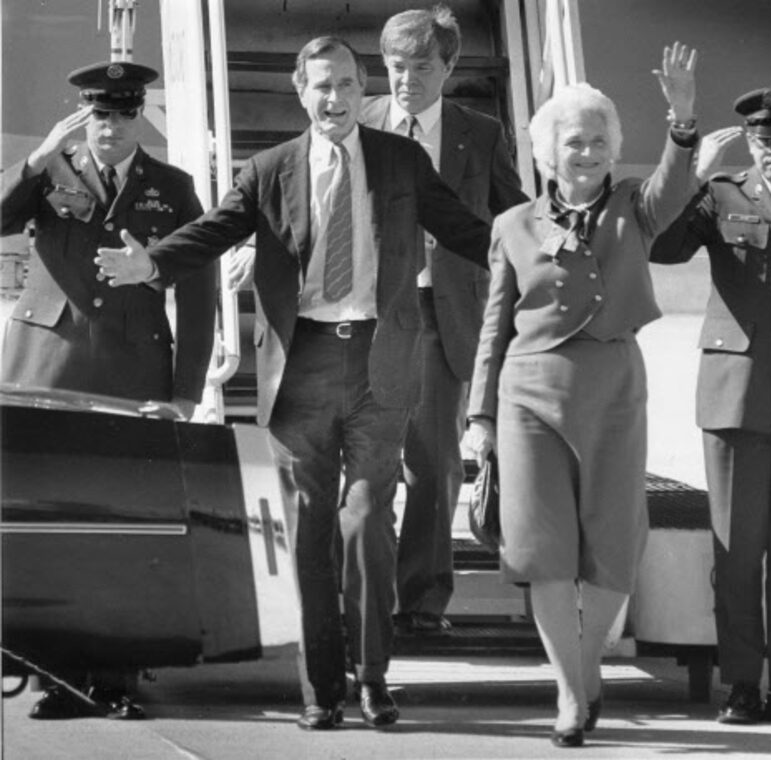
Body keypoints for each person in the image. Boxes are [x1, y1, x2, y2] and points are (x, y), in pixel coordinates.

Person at [95, 37, 492, 731]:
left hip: (380, 361)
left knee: (367, 519)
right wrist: (150, 265)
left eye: (344, 84)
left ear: (360, 86)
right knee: (308, 530)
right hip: (301, 366)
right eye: (320, 87)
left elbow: (463, 228)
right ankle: (321, 688)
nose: (333, 99)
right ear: (298, 91)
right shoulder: (270, 168)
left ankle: (373, 677)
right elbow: (214, 230)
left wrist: (533, 240)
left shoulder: (401, 159)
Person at [465, 42, 699, 747]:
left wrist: (682, 121)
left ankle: (584, 667)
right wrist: (478, 415)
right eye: (575, 142)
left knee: (612, 546)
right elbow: (493, 326)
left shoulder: (636, 207)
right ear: (547, 152)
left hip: (614, 391)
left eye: (600, 141)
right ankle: (572, 694)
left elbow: (673, 184)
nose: (589, 152)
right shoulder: (512, 226)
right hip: (529, 395)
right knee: (543, 550)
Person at [0, 60, 216, 720]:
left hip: (131, 373)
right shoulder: (48, 176)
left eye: (124, 116)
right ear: (81, 117)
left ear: (139, 117)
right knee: (47, 527)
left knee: (128, 527)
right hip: (48, 366)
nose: (110, 129)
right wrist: (34, 161)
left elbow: (201, 294)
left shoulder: (173, 188)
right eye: (99, 116)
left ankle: (114, 677)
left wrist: (186, 392)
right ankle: (54, 678)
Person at [650, 87, 771, 727]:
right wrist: (693, 168)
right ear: (746, 143)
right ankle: (742, 685)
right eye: (760, 143)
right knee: (737, 548)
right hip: (735, 396)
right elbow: (659, 246)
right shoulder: (720, 193)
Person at [359, 5, 528, 635]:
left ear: (450, 67)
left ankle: (422, 604)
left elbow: (512, 217)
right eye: (396, 68)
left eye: (421, 68)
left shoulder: (479, 134)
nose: (406, 81)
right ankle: (365, 597)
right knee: (369, 461)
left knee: (432, 463)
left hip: (444, 311)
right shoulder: (361, 120)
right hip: (371, 311)